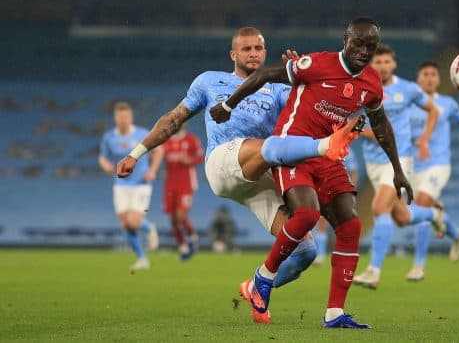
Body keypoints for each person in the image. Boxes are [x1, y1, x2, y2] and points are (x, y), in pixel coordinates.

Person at [116, 27, 360, 323]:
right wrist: (136, 153)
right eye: (246, 49)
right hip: (224, 161)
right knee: (270, 147)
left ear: (265, 52)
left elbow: (306, 117)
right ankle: (322, 149)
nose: (253, 54)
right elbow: (173, 120)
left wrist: (301, 84)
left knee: (304, 250)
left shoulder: (279, 88)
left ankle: (256, 286)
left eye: (258, 48)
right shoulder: (209, 81)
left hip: (259, 173)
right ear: (233, 54)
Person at [210, 17, 413, 329]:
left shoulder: (371, 83)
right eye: (358, 43)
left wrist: (397, 170)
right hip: (294, 150)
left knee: (351, 225)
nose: (363, 50)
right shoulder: (317, 64)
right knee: (306, 215)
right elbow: (265, 73)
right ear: (346, 39)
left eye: (369, 46)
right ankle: (262, 279)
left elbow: (381, 124)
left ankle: (334, 313)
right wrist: (228, 104)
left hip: (330, 159)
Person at [353, 44, 450, 289]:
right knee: (402, 217)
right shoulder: (361, 88)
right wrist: (364, 132)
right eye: (378, 62)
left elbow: (433, 111)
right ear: (370, 65)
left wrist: (425, 138)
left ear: (393, 64)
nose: (383, 66)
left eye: (387, 62)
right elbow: (351, 120)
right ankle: (433, 214)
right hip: (373, 162)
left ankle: (374, 271)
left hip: (399, 160)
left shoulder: (407, 89)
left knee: (378, 208)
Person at [405, 61, 459, 281]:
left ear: (439, 79)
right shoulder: (409, 104)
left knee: (423, 203)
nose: (430, 78)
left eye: (434, 74)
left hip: (438, 164)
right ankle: (456, 235)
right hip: (412, 165)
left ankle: (418, 266)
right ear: (418, 79)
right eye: (425, 74)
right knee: (424, 210)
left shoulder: (448, 103)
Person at [99, 102, 162, 273]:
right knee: (126, 225)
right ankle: (142, 259)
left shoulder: (142, 134)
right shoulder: (109, 137)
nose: (123, 120)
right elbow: (103, 157)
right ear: (115, 118)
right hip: (120, 184)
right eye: (120, 117)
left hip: (141, 184)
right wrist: (106, 166)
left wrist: (152, 170)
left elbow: (158, 151)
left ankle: (149, 228)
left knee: (134, 221)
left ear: (131, 117)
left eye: (126, 117)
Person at [162, 124, 204, 261]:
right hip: (170, 183)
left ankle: (193, 238)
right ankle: (182, 246)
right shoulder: (166, 141)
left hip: (186, 182)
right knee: (173, 219)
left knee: (181, 214)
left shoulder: (191, 139)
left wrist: (191, 160)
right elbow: (157, 157)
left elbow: (201, 156)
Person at [313, 147, 360, 265]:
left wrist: (350, 189)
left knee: (345, 223)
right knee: (322, 221)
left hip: (342, 191)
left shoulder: (345, 149)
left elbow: (354, 171)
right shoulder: (322, 147)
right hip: (326, 189)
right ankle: (321, 255)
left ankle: (346, 253)